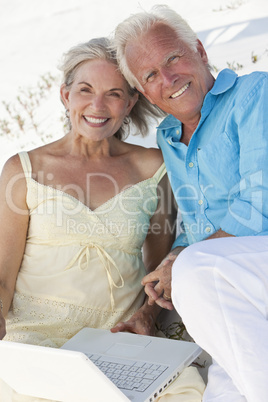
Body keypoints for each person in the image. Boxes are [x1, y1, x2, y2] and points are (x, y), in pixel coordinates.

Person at [0, 37, 205, 401]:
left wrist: (148, 317)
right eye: (85, 90)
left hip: (118, 338)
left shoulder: (153, 167)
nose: (97, 105)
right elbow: (2, 276)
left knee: (188, 392)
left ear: (130, 102)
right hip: (35, 338)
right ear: (65, 95)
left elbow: (159, 272)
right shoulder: (23, 170)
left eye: (113, 93)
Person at [113, 5, 268, 402]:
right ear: (144, 92)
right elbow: (192, 229)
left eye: (173, 57)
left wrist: (183, 263)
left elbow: (259, 200)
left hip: (257, 262)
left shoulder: (255, 93)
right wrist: (150, 309)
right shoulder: (169, 137)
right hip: (229, 285)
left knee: (195, 266)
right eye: (150, 75)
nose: (168, 78)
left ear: (199, 50)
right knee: (223, 392)